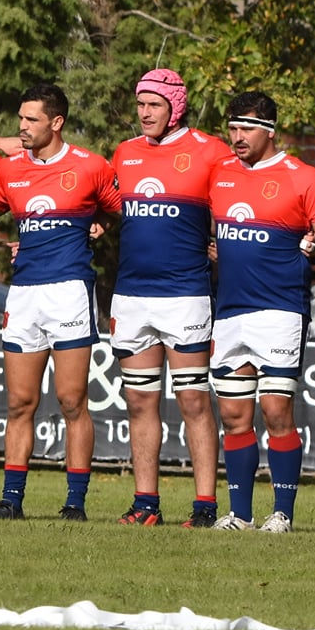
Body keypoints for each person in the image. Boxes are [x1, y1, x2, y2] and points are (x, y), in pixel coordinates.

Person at [208, 90, 315, 531]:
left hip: (281, 311)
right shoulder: (221, 174)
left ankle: (282, 515)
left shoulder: (303, 178)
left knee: (275, 410)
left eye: (246, 128)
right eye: (232, 128)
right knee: (234, 416)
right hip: (229, 312)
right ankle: (239, 515)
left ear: (269, 131)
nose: (237, 136)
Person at [0, 83, 121, 520]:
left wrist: (98, 225)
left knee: (73, 401)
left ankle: (74, 504)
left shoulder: (91, 166)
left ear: (56, 123)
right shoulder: (9, 170)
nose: (21, 127)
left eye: (31, 120)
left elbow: (119, 210)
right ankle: (10, 500)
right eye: (20, 118)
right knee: (20, 403)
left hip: (69, 294)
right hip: (23, 296)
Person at [108, 68, 228, 527]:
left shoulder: (210, 151)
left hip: (186, 294)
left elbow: (241, 199)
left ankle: (204, 507)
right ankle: (146, 504)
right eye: (140, 104)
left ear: (175, 105)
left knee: (193, 400)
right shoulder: (126, 153)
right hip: (132, 296)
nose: (144, 112)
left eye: (154, 104)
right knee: (139, 401)